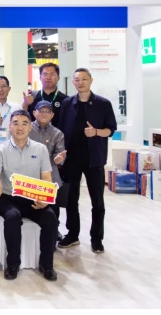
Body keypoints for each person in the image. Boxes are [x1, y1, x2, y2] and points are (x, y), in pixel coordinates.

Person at [0, 110, 58, 281]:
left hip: (34, 198)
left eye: (24, 123)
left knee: (50, 217)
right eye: (16, 123)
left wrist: (45, 199)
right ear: (10, 127)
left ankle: (47, 265)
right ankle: (13, 264)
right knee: (13, 217)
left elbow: (47, 178)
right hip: (9, 197)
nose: (20, 127)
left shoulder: (40, 149)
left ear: (30, 127)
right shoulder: (1, 149)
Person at [57, 68, 117, 254]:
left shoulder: (103, 104)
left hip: (94, 158)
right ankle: (72, 234)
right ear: (73, 82)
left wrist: (96, 132)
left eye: (84, 79)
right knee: (71, 199)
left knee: (97, 201)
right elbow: (60, 130)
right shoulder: (67, 103)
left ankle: (96, 239)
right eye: (77, 79)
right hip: (72, 159)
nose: (80, 82)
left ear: (91, 80)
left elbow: (110, 130)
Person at [29, 100, 67, 233]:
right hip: (29, 173)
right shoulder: (27, 128)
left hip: (50, 174)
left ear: (52, 115)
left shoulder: (57, 133)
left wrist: (59, 159)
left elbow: (60, 154)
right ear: (34, 113)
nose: (44, 114)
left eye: (47, 111)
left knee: (53, 207)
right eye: (41, 111)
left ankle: (54, 231)